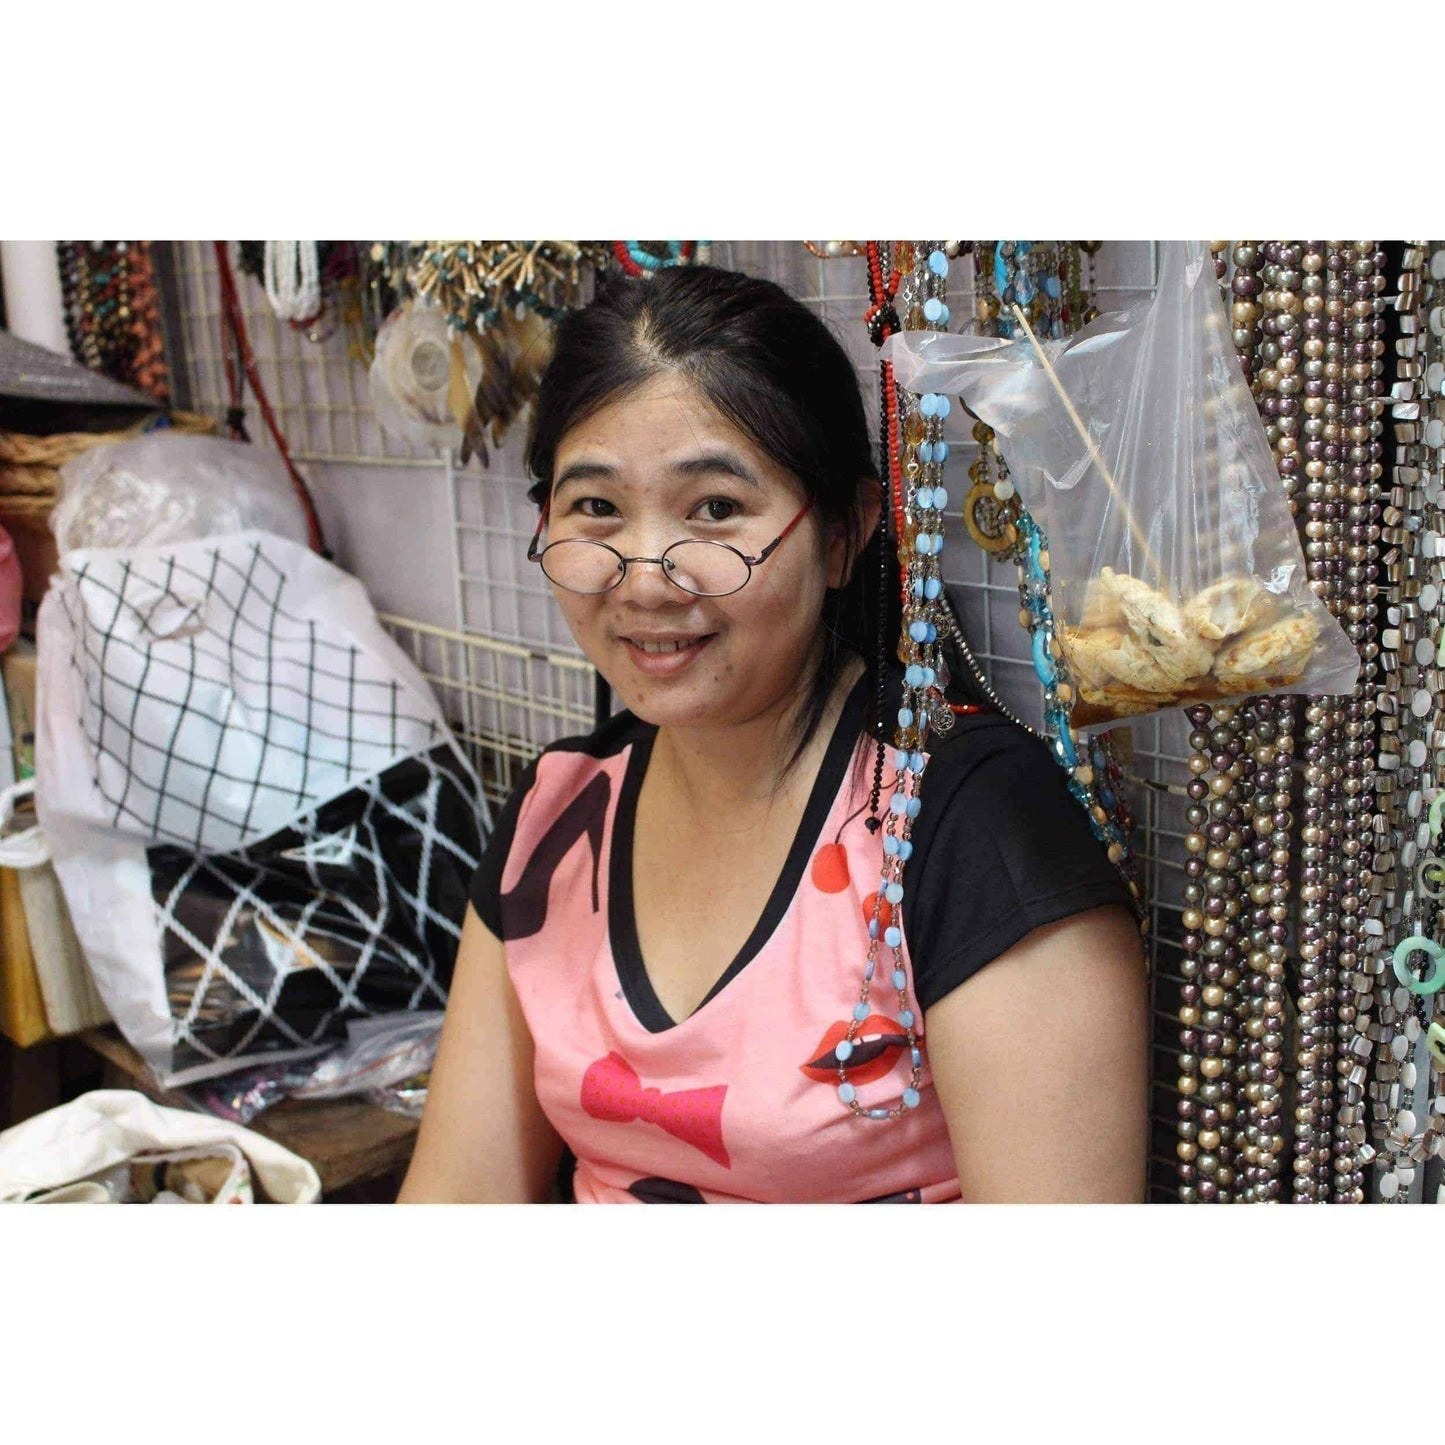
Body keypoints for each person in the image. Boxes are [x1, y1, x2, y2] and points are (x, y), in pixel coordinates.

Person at [398, 265, 1149, 1204]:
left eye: (714, 509)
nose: (644, 579)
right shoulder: (558, 817)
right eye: (596, 508)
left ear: (843, 533)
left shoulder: (966, 826)